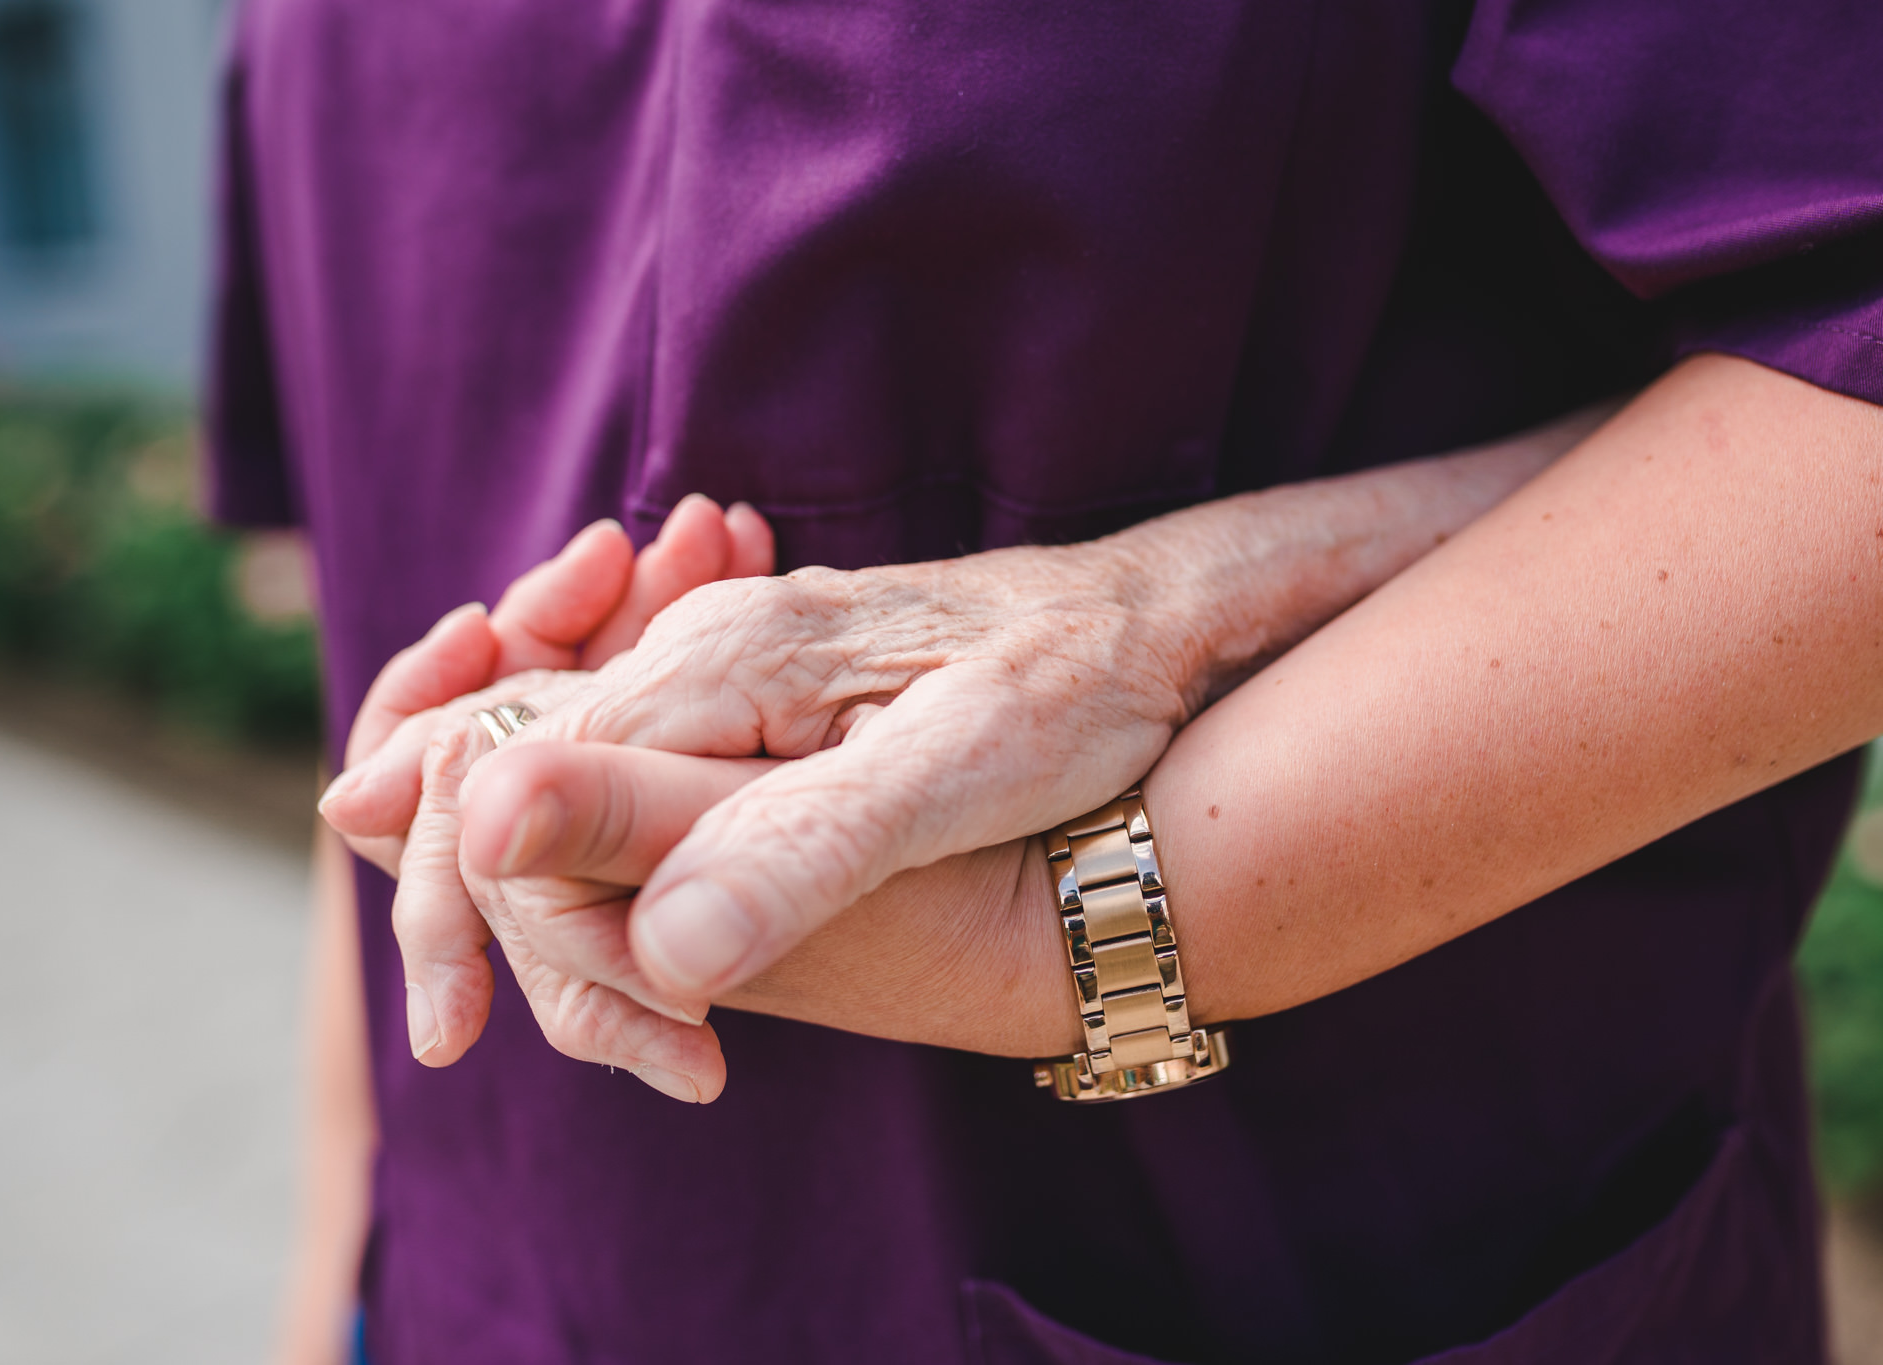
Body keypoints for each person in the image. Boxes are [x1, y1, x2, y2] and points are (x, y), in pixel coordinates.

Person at [208, 1, 1883, 1361]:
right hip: (469, 1284)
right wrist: (328, 1272)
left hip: (1326, 1272)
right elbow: (391, 632)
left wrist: (1099, 874)